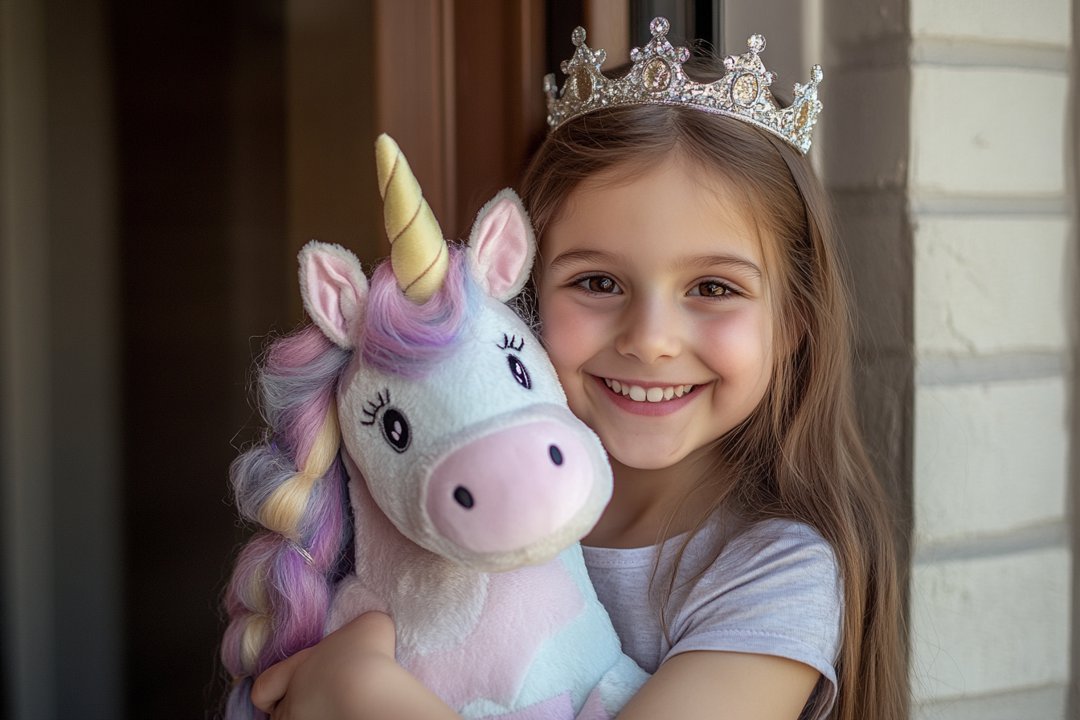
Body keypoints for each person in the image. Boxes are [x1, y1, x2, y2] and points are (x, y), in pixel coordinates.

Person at [247, 18, 908, 720]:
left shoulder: (776, 573)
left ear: (793, 323)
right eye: (597, 283)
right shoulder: (441, 498)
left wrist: (359, 696)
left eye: (713, 288)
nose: (651, 341)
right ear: (526, 294)